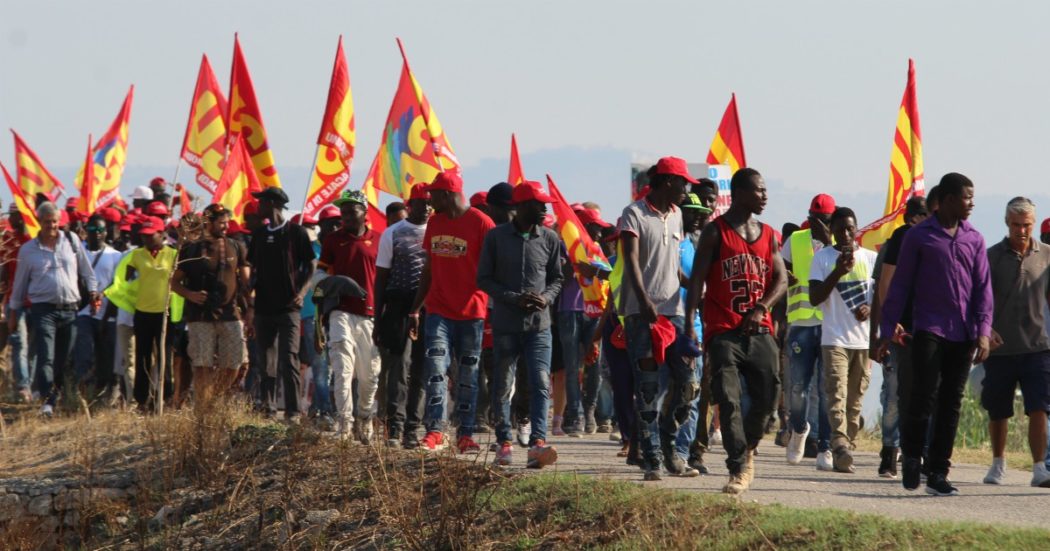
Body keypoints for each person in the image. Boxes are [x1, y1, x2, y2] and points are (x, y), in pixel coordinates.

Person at [876, 172, 993, 496]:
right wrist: (887, 329)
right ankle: (912, 456)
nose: (971, 203)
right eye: (967, 197)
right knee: (923, 394)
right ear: (949, 199)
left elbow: (984, 289)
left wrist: (983, 332)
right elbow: (900, 285)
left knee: (951, 402)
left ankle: (939, 471)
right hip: (928, 327)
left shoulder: (975, 239)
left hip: (964, 332)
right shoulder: (919, 236)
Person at [685, 167, 787, 494]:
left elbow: (781, 279)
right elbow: (698, 282)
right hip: (723, 330)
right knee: (728, 399)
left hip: (760, 331)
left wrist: (762, 307)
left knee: (768, 397)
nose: (765, 196)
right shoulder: (716, 232)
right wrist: (690, 324)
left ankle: (750, 447)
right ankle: (737, 467)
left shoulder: (769, 234)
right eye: (760, 190)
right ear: (741, 193)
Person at [619, 156, 700, 481]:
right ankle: (652, 458)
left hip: (675, 315)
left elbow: (671, 264)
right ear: (668, 182)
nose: (687, 190)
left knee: (689, 385)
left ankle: (669, 443)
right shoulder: (633, 214)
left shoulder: (677, 215)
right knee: (649, 390)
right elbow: (632, 261)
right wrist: (644, 301)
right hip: (643, 316)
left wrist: (692, 285)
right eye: (683, 183)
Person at [478, 180, 564, 468]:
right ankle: (504, 442)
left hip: (539, 326)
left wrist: (546, 298)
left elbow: (557, 278)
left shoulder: (550, 238)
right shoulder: (496, 237)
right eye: (539, 204)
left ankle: (538, 443)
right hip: (505, 324)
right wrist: (514, 298)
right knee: (503, 384)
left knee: (540, 382)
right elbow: (484, 279)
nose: (544, 209)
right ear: (522, 206)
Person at [408, 172, 495, 452]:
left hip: (472, 314)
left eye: (432, 194)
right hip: (438, 312)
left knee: (468, 378)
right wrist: (415, 308)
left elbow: (494, 268)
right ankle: (435, 432)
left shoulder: (482, 223)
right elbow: (429, 270)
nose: (429, 199)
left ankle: (465, 434)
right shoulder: (434, 222)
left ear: (447, 194)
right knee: (435, 370)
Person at [980, 197, 1050, 487]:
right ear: (1007, 223)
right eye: (1016, 225)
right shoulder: (991, 256)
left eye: (1027, 225)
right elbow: (979, 298)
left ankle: (1039, 468)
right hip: (1000, 348)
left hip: (1038, 346)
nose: (1022, 230)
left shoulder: (1047, 255)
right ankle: (998, 463)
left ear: (1033, 224)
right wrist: (984, 331)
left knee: (1039, 408)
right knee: (998, 409)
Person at [8, 202, 98, 416]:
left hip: (70, 309)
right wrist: (14, 312)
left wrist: (93, 292)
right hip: (43, 309)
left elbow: (87, 271)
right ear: (39, 222)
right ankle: (48, 401)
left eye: (55, 222)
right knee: (45, 355)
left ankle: (58, 394)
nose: (52, 226)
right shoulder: (28, 250)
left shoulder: (72, 241)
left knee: (63, 357)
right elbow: (19, 285)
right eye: (48, 222)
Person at [808, 207, 876, 473]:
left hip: (863, 342)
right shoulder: (822, 259)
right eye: (840, 230)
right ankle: (839, 443)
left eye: (850, 228)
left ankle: (846, 448)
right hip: (834, 338)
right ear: (832, 231)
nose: (846, 234)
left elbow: (880, 296)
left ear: (857, 228)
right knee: (836, 392)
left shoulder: (871, 258)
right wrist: (836, 272)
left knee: (855, 400)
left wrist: (870, 308)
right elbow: (815, 297)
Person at [868, 194, 929, 478]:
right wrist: (881, 333)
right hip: (898, 331)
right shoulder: (894, 245)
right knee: (893, 394)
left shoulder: (935, 243)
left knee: (926, 393)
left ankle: (922, 452)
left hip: (928, 330)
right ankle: (889, 451)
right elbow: (881, 290)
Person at [170, 204, 251, 411]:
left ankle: (214, 397)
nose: (225, 227)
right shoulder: (192, 249)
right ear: (208, 222)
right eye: (221, 223)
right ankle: (202, 409)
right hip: (200, 317)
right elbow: (174, 282)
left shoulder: (236, 246)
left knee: (236, 362)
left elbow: (246, 282)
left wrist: (250, 309)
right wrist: (190, 295)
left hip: (230, 314)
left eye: (227, 222)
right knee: (202, 365)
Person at [248, 187, 316, 423]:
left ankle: (293, 412)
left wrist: (302, 292)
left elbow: (311, 265)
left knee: (289, 359)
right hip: (263, 308)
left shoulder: (296, 232)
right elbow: (253, 269)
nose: (258, 205)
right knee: (265, 359)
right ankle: (267, 408)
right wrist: (249, 294)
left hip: (289, 309)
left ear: (273, 203)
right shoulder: (258, 235)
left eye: (261, 201)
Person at [319, 190, 382, 442]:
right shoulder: (333, 240)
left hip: (370, 315)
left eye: (350, 210)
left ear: (364, 213)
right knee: (342, 369)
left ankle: (365, 417)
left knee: (369, 376)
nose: (344, 215)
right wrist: (333, 282)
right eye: (342, 211)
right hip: (340, 313)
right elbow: (319, 277)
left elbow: (385, 278)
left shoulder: (379, 239)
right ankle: (344, 424)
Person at [374, 184, 431, 448]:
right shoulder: (393, 233)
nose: (427, 207)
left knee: (421, 369)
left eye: (430, 202)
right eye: (422, 202)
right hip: (398, 304)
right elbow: (381, 278)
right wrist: (378, 317)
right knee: (399, 367)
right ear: (410, 205)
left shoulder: (438, 230)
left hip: (430, 306)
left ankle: (412, 428)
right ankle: (394, 428)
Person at [783, 194, 835, 469]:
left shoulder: (840, 244)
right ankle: (799, 428)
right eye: (815, 219)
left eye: (825, 221)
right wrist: (786, 274)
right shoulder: (796, 240)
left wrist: (829, 242)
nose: (819, 225)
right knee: (798, 387)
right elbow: (781, 271)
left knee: (826, 389)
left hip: (830, 325)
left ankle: (825, 446)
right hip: (802, 323)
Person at [675, 193, 713, 473]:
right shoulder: (671, 243)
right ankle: (658, 449)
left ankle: (682, 452)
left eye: (702, 211)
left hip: (695, 327)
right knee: (664, 392)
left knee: (693, 392)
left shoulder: (695, 245)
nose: (699, 216)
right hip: (667, 323)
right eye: (693, 211)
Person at [125, 216, 178, 411]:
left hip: (165, 314)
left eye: (150, 235)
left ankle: (165, 397)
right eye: (144, 236)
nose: (146, 239)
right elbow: (125, 280)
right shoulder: (137, 255)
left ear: (162, 234)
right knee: (143, 357)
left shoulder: (173, 254)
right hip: (143, 312)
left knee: (165, 358)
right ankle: (142, 399)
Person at [71, 215, 122, 397]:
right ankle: (81, 394)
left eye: (100, 230)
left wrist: (104, 297)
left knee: (106, 357)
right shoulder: (76, 252)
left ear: (106, 232)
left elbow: (118, 284)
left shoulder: (115, 255)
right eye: (92, 230)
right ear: (86, 230)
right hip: (82, 312)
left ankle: (104, 393)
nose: (97, 234)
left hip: (107, 314)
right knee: (84, 353)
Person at [2, 206, 33, 402]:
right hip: (15, 301)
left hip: (36, 302)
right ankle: (23, 386)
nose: (10, 218)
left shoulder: (34, 241)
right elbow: (4, 271)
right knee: (19, 343)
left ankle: (34, 384)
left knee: (35, 346)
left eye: (13, 215)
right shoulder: (8, 240)